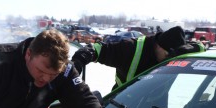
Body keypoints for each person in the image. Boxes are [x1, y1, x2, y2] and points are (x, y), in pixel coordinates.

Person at [72, 26, 206, 90]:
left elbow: (201, 47)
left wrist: (188, 49)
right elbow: (97, 49)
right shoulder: (130, 48)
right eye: (166, 55)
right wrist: (78, 61)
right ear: (158, 46)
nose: (168, 60)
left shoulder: (173, 51)